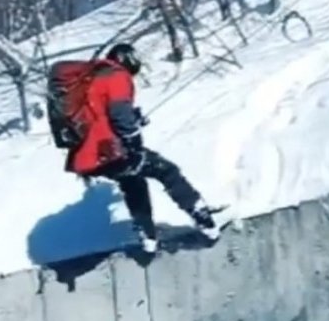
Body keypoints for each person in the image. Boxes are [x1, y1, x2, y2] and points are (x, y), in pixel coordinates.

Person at [64, 42, 221, 253]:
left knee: (132, 180)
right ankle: (204, 219)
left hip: (89, 158)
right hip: (106, 150)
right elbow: (120, 115)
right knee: (166, 170)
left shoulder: (91, 79)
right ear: (126, 58)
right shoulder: (116, 74)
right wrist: (134, 142)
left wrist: (130, 123)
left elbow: (102, 115)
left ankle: (147, 235)